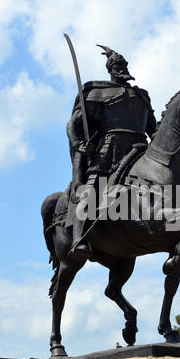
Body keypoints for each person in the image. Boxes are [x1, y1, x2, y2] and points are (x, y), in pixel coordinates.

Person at [65, 45, 157, 257]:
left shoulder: (142, 96)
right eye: (117, 65)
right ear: (110, 69)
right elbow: (73, 125)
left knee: (171, 187)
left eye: (123, 64)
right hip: (110, 148)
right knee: (91, 188)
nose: (122, 68)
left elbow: (152, 129)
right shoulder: (97, 92)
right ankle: (79, 237)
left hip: (141, 150)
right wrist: (78, 143)